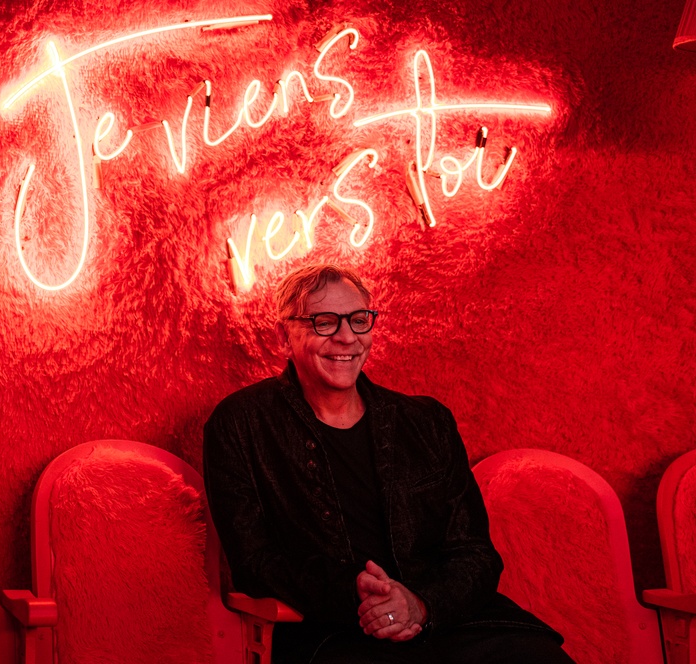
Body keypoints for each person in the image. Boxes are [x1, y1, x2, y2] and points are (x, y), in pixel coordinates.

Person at [203, 264, 573, 663]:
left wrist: (421, 605)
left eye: (359, 320)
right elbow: (254, 562)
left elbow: (476, 554)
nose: (347, 337)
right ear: (283, 337)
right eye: (324, 322)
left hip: (448, 620)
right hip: (333, 630)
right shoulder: (239, 423)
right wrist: (356, 592)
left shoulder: (427, 421)